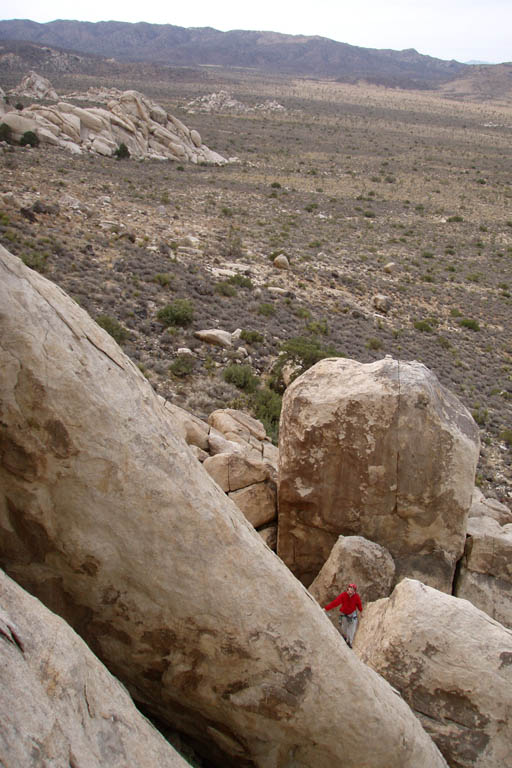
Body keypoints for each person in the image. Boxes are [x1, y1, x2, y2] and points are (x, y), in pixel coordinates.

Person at [324, 583, 363, 648]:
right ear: (347, 589)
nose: (350, 591)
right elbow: (335, 602)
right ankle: (345, 638)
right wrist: (326, 608)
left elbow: (359, 605)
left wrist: (361, 612)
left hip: (352, 616)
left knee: (352, 630)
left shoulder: (356, 597)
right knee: (344, 629)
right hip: (344, 615)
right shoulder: (343, 595)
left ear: (354, 591)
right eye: (350, 589)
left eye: (352, 590)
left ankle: (349, 642)